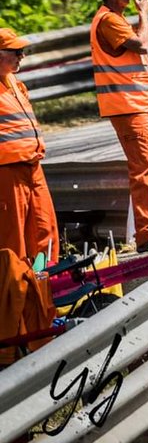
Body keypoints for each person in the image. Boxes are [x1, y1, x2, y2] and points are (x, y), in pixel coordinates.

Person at [90, 0, 148, 251]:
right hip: (129, 108)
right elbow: (142, 45)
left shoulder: (117, 20)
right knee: (144, 171)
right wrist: (143, 13)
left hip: (141, 106)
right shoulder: (108, 20)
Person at [0, 28, 59, 266]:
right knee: (14, 239)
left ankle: (46, 289)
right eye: (15, 51)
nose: (21, 56)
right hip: (8, 171)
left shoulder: (16, 84)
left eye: (22, 51)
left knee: (45, 230)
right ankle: (18, 294)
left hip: (33, 166)